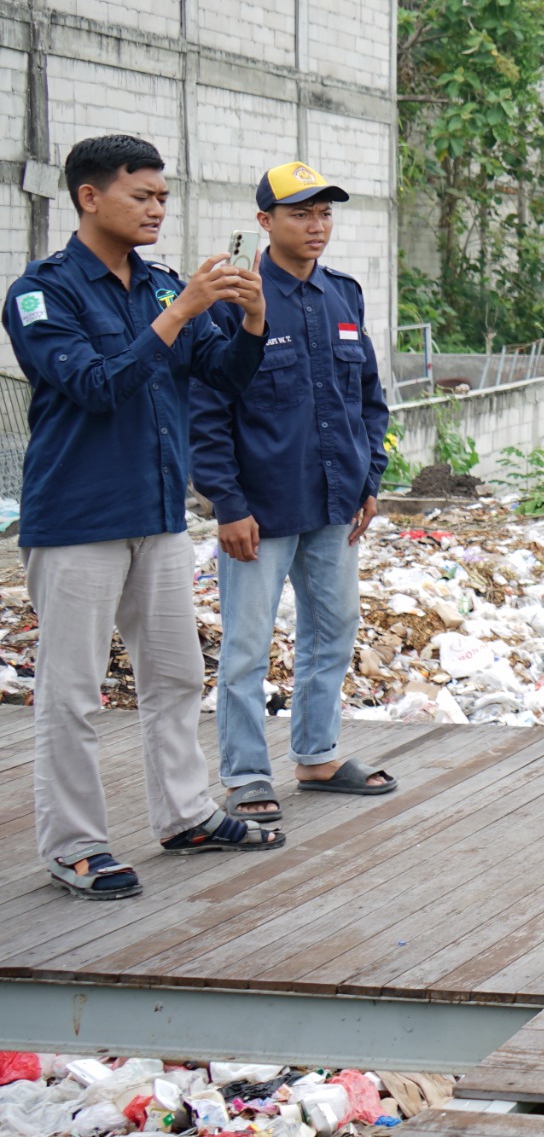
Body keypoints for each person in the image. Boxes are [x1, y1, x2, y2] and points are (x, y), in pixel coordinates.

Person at [4, 134, 282, 897]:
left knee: (175, 676)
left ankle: (186, 816)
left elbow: (222, 373)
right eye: (142, 196)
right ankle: (75, 845)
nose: (158, 209)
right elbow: (94, 385)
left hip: (156, 513)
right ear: (90, 197)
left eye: (163, 196)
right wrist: (183, 310)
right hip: (77, 519)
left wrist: (252, 319)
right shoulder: (42, 294)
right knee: (71, 691)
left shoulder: (159, 285)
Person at [193, 163, 397, 825]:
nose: (316, 225)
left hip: (336, 503)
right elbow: (208, 410)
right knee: (247, 647)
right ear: (264, 221)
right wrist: (228, 504)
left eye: (325, 213)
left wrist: (369, 479)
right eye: (300, 213)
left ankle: (317, 755)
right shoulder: (235, 298)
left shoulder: (343, 295)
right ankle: (247, 773)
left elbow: (367, 397)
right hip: (262, 510)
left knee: (333, 631)